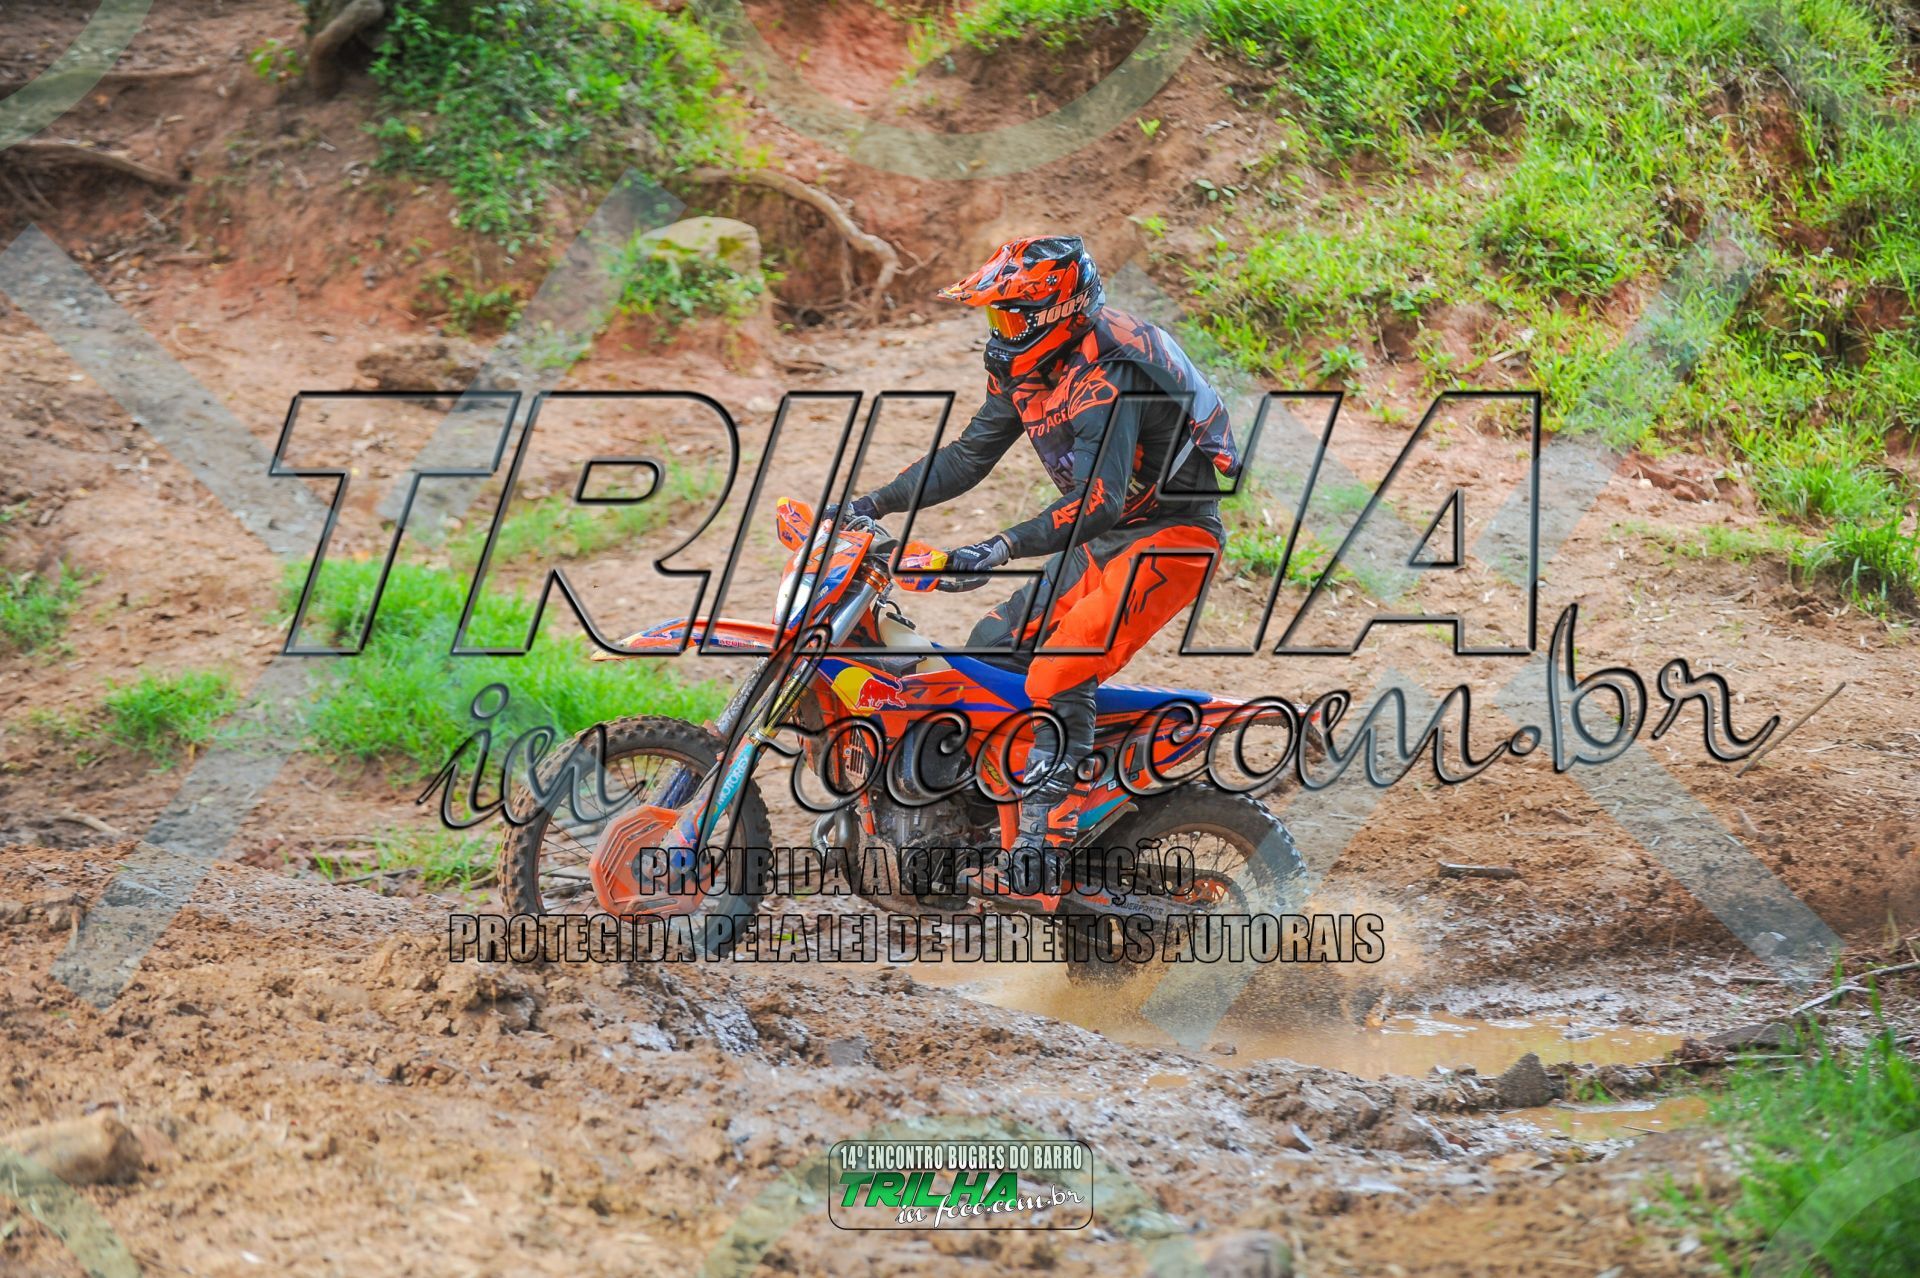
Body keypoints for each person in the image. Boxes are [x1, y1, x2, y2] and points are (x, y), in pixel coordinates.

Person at [842, 235, 1240, 892]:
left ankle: (1044, 848)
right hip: (1103, 543)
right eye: (995, 316)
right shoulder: (1027, 366)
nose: (1000, 330)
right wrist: (867, 505)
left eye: (1011, 316)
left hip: (1171, 539)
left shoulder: (1114, 373)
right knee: (989, 650)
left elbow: (1099, 501)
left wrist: (997, 547)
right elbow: (969, 456)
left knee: (1059, 669)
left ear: (1057, 313)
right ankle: (979, 817)